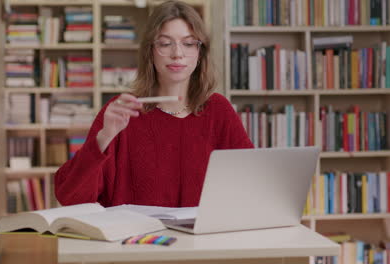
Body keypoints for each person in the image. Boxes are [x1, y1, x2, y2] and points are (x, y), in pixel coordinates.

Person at [55, 0, 253, 207]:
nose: (178, 54)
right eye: (165, 43)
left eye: (188, 43)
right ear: (150, 50)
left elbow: (252, 183)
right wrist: (103, 138)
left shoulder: (218, 110)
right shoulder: (122, 110)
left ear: (200, 52)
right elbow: (70, 197)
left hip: (201, 238)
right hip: (135, 239)